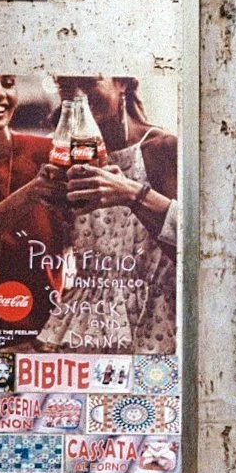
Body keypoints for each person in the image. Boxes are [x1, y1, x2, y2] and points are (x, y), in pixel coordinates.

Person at [33, 75, 178, 355]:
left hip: (153, 320)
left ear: (122, 83)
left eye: (88, 83)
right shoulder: (61, 156)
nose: (78, 95)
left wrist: (133, 195)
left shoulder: (161, 148)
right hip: (82, 321)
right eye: (66, 87)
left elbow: (193, 250)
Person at [0, 73, 66, 343]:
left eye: (9, 83)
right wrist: (32, 192)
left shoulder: (48, 153)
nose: (0, 93)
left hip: (44, 336)